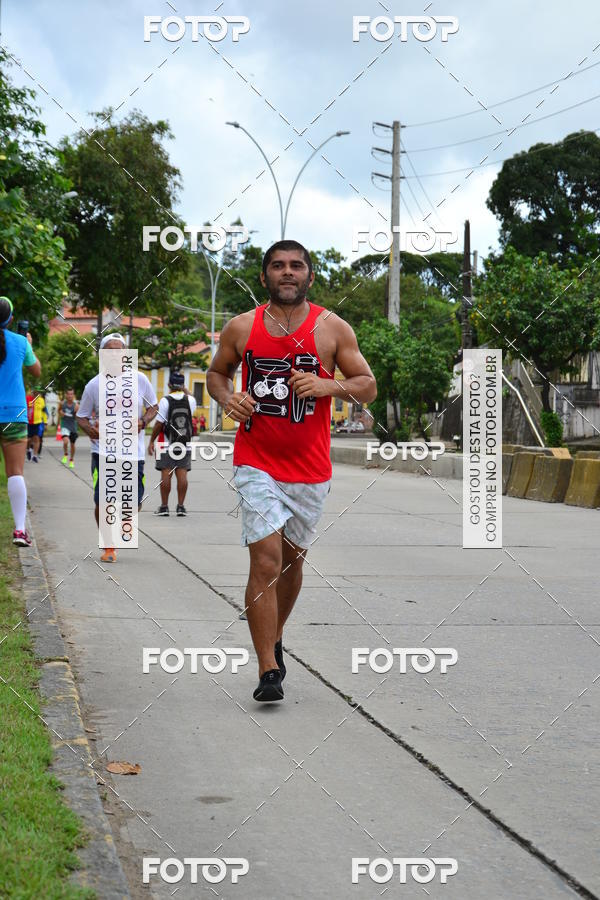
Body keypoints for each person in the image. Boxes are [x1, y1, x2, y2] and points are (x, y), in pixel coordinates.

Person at [207, 240, 377, 702]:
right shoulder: (242, 327)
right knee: (265, 558)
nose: (287, 272)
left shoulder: (332, 329)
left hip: (309, 469)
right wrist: (228, 399)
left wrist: (327, 384)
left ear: (309, 276)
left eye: (296, 265)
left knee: (292, 561)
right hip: (255, 461)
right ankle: (267, 668)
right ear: (264, 277)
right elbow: (216, 375)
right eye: (278, 266)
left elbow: (368, 386)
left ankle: (275, 636)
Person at [76, 334, 158, 563]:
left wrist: (143, 422)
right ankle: (108, 545)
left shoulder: (140, 380)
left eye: (120, 351)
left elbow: (153, 407)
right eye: (110, 351)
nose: (116, 355)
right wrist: (91, 430)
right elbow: (81, 417)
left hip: (133, 453)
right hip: (103, 452)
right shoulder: (93, 385)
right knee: (103, 500)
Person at [0, 296, 42, 546]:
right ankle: (19, 530)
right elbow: (36, 371)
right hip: (14, 413)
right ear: (11, 320)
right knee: (15, 473)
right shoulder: (20, 342)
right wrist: (29, 345)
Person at [149, 371, 196, 517]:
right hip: (184, 443)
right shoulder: (191, 400)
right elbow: (190, 396)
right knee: (182, 474)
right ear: (182, 385)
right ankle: (181, 507)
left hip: (166, 443)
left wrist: (151, 441)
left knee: (166, 473)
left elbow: (159, 424)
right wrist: (184, 388)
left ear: (169, 384)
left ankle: (164, 507)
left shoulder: (165, 401)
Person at [60, 387, 79, 468]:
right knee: (65, 441)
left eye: (71, 394)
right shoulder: (62, 403)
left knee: (72, 444)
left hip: (73, 427)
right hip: (65, 425)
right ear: (66, 395)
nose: (70, 396)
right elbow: (59, 410)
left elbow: (78, 417)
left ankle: (71, 459)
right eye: (68, 394)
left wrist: (75, 413)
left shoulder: (76, 405)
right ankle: (65, 454)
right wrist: (61, 412)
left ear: (73, 395)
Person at [26, 387, 46, 462]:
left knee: (37, 439)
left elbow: (44, 411)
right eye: (36, 392)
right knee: (29, 439)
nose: (38, 393)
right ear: (33, 392)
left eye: (39, 392)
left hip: (38, 422)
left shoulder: (41, 400)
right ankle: (28, 450)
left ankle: (34, 456)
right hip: (29, 422)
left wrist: (45, 421)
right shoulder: (28, 398)